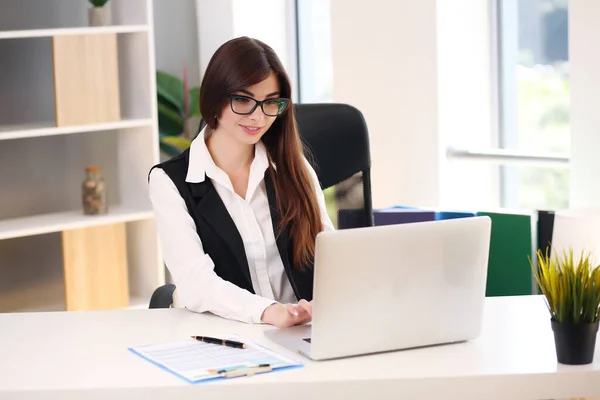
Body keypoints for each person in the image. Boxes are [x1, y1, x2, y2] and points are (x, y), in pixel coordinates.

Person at [148, 37, 335, 328]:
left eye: (270, 102)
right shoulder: (170, 182)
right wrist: (269, 312)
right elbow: (196, 283)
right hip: (228, 339)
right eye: (243, 100)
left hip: (303, 335)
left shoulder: (292, 168)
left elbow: (332, 256)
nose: (258, 116)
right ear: (215, 97)